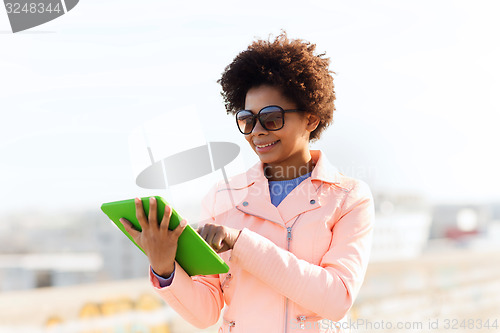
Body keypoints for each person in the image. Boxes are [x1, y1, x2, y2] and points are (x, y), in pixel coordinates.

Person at [120, 32, 375, 333]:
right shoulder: (222, 196)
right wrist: (165, 268)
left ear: (311, 118)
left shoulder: (348, 198)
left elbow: (336, 299)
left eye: (271, 117)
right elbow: (206, 312)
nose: (257, 132)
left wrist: (239, 242)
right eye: (247, 120)